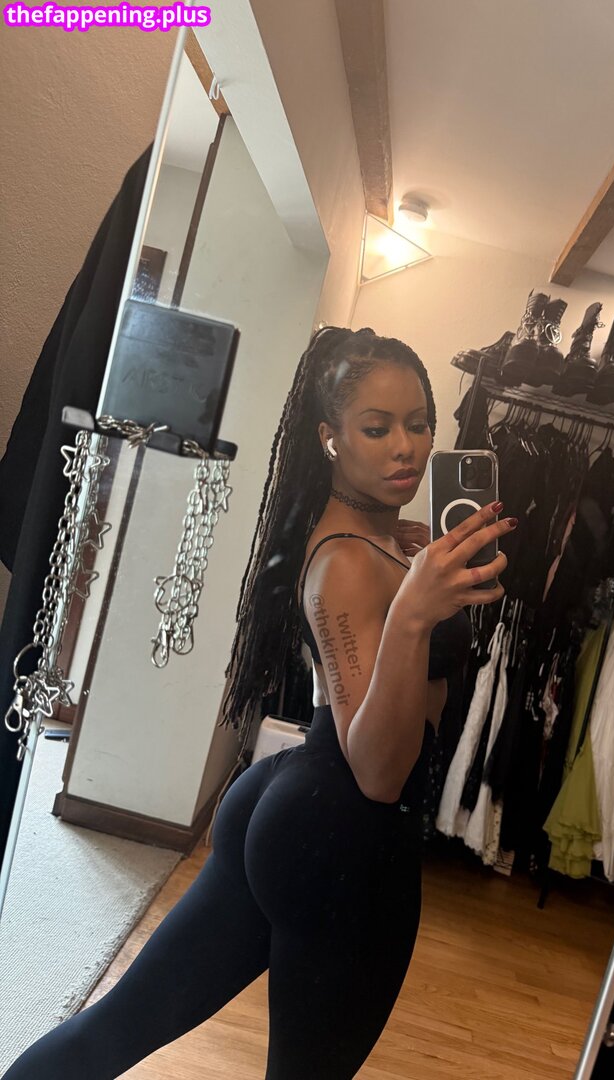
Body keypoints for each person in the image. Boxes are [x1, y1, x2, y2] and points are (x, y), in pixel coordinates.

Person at [5, 326, 515, 1079]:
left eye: (420, 423)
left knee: (120, 1025)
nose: (405, 447)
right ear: (330, 438)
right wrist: (413, 615)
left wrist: (410, 571)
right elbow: (378, 772)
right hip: (345, 840)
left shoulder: (375, 539)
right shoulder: (347, 562)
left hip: (293, 806)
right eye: (377, 428)